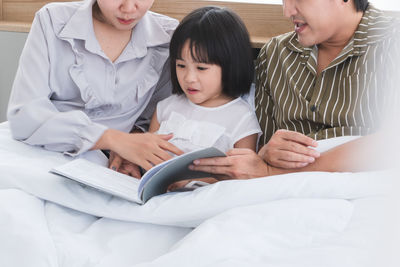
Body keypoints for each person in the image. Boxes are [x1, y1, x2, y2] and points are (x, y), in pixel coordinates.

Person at [189, 0, 400, 179]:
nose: (287, 11)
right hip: (284, 196)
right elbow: (262, 147)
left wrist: (272, 172)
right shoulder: (275, 55)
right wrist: (267, 154)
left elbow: (391, 145)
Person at [7, 0, 183, 175]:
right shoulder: (52, 20)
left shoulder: (167, 37)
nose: (129, 8)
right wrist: (111, 139)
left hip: (112, 164)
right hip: (40, 149)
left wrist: (132, 146)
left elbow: (156, 115)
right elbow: (24, 114)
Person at [149, 6, 261, 154]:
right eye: (181, 65)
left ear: (230, 65)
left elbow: (244, 172)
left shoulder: (242, 118)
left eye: (201, 68)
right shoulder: (165, 108)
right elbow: (147, 155)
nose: (189, 78)